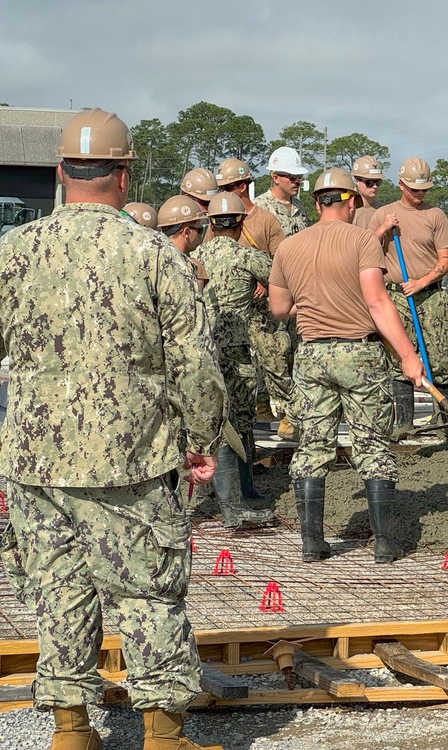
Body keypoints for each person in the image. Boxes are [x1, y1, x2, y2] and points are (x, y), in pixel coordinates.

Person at [0, 108, 226, 749]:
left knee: (59, 593)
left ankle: (71, 733)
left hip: (36, 464)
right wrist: (202, 439)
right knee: (150, 597)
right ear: (124, 176)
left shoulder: (11, 253)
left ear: (61, 172)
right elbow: (197, 364)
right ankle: (162, 736)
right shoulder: (155, 255)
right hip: (135, 462)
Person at [269, 168, 424, 563]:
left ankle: (312, 544)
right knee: (371, 445)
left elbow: (279, 308)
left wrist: (314, 296)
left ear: (317, 201)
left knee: (312, 446)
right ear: (351, 201)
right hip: (360, 355)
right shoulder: (361, 239)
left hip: (311, 357)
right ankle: (384, 544)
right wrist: (409, 355)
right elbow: (377, 302)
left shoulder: (290, 246)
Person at [196, 191, 277, 530]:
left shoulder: (195, 256)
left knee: (213, 423)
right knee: (239, 424)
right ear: (241, 223)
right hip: (237, 353)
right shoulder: (248, 257)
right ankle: (239, 500)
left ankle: (229, 494)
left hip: (201, 351)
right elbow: (279, 277)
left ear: (211, 224)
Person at [367, 157, 448, 438]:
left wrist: (423, 281)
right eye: (415, 189)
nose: (420, 194)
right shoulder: (384, 214)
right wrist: (383, 230)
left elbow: (446, 259)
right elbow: (365, 249)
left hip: (430, 296)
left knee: (439, 360)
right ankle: (403, 423)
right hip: (398, 297)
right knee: (399, 360)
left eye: (424, 190)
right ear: (401, 185)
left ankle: (446, 425)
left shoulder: (435, 215)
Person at [215, 157, 299, 443]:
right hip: (232, 314)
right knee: (244, 375)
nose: (229, 191)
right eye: (224, 186)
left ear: (245, 185)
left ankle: (290, 417)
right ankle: (259, 418)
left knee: (276, 362)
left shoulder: (264, 219)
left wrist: (267, 282)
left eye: (233, 185)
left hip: (263, 311)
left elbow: (283, 258)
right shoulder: (217, 219)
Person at [157, 194, 210, 291]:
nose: (199, 236)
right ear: (187, 233)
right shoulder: (191, 268)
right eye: (199, 230)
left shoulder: (152, 260)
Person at [254, 145, 308, 237]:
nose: (298, 181)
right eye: (292, 177)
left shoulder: (299, 207)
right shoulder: (259, 207)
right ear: (276, 178)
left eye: (300, 176)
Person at [351, 155, 388, 232]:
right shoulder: (349, 210)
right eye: (369, 182)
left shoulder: (383, 210)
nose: (375, 186)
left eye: (378, 182)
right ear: (356, 181)